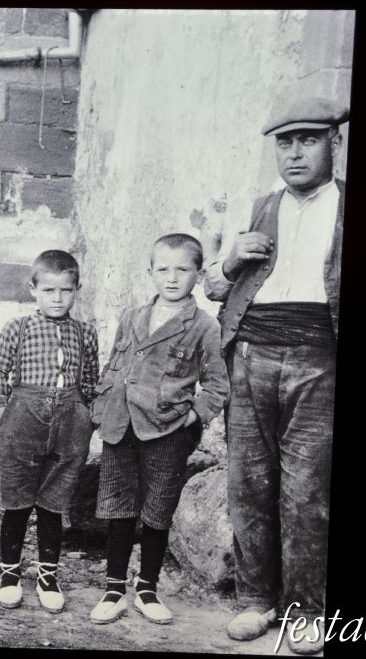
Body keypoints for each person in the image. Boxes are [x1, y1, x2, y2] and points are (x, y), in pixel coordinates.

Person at [203, 97, 347, 655]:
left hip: (320, 357)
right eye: (284, 144)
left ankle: (308, 610)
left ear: (333, 143)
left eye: (307, 141)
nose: (294, 153)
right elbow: (214, 288)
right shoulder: (256, 206)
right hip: (252, 351)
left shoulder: (346, 207)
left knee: (308, 489)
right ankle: (256, 600)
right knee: (250, 483)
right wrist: (232, 256)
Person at [89, 233, 228, 625]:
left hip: (167, 430)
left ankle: (147, 589)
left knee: (157, 509)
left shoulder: (203, 325)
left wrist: (193, 416)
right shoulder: (133, 316)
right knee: (118, 506)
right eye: (162, 269)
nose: (172, 277)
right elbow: (113, 366)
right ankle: (114, 588)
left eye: (182, 269)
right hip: (120, 425)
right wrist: (101, 407)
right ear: (150, 272)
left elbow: (218, 385)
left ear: (198, 275)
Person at [0, 250, 99, 613]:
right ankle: (9, 573)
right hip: (23, 418)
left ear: (76, 291)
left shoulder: (85, 332)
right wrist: (4, 412)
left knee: (54, 502)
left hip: (70, 422)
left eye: (65, 291)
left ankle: (48, 574)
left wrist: (86, 415)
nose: (57, 298)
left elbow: (90, 379)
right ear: (32, 288)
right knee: (17, 500)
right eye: (48, 290)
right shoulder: (17, 328)